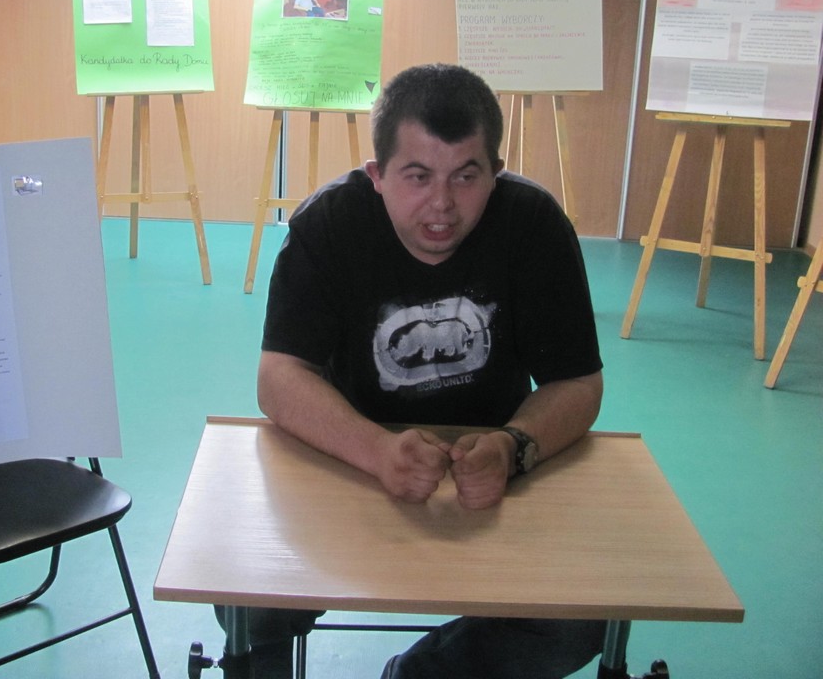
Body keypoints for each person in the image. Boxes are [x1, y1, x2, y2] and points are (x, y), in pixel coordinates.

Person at [219, 63, 606, 679]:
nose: (442, 205)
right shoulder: (327, 225)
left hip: (489, 479)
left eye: (466, 177)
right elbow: (279, 377)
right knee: (249, 598)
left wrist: (514, 448)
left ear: (496, 173)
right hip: (346, 464)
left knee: (577, 623)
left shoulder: (533, 224)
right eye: (418, 176)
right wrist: (377, 452)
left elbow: (578, 383)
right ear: (377, 174)